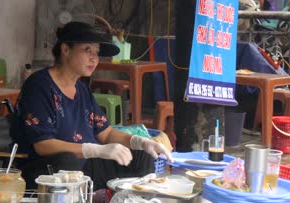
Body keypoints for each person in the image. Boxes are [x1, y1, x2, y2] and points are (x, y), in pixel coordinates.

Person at [10, 21, 173, 190]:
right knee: (67, 160)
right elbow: (43, 145)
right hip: (47, 171)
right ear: (66, 49)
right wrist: (95, 150)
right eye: (87, 50)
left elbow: (106, 133)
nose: (94, 58)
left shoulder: (81, 89)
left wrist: (140, 142)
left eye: (96, 52)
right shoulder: (39, 86)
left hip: (85, 167)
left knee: (141, 155)